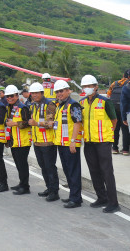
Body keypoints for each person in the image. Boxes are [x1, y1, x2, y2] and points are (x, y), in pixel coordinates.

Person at [79, 75, 120, 213]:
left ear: (96, 87)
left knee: (107, 172)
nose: (87, 89)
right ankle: (101, 197)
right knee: (94, 171)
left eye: (90, 86)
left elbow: (114, 120)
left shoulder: (105, 102)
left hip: (103, 142)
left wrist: (107, 135)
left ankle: (113, 202)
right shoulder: (82, 102)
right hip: (89, 142)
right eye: (85, 86)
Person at [52, 80, 84, 208]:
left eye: (61, 91)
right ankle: (74, 195)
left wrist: (73, 141)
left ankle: (75, 199)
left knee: (73, 171)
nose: (59, 94)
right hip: (61, 143)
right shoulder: (60, 105)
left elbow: (77, 123)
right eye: (57, 92)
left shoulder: (73, 105)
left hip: (70, 144)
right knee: (67, 170)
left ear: (68, 91)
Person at [27, 82, 59, 202]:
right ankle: (49, 188)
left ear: (41, 93)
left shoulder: (49, 105)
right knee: (43, 167)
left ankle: (54, 191)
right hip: (37, 141)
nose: (34, 95)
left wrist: (37, 123)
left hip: (48, 142)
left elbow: (51, 124)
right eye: (32, 93)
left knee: (50, 167)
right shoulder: (33, 105)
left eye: (36, 93)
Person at [4, 85, 32, 195]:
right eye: (7, 96)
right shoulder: (10, 107)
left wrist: (14, 123)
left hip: (23, 141)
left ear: (16, 95)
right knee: (18, 163)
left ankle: (25, 186)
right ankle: (22, 183)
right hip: (15, 141)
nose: (9, 98)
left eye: (11, 96)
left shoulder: (23, 107)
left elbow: (27, 122)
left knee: (22, 164)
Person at [107, 71, 130, 155]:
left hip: (114, 108)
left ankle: (114, 148)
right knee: (125, 130)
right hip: (125, 109)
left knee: (115, 129)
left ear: (123, 75)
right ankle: (125, 150)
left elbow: (108, 95)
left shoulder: (114, 83)